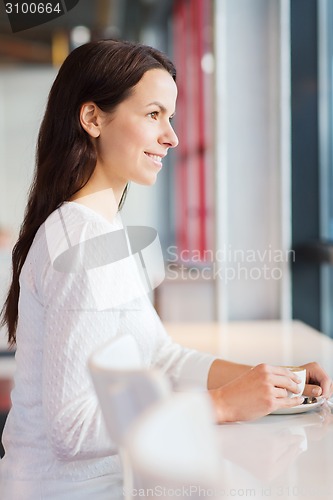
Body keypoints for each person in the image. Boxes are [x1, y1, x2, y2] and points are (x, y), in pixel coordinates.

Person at [0, 39, 331, 499]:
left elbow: (162, 357)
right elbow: (72, 430)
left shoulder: (102, 229)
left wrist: (270, 380)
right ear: (93, 118)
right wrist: (220, 404)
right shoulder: (78, 242)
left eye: (170, 117)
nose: (172, 136)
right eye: (154, 114)